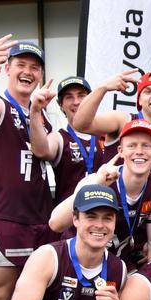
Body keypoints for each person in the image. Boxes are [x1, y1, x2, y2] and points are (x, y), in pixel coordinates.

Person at [0, 37, 56, 300]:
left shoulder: (42, 110)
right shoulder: (0, 105)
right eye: (21, 64)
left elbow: (43, 151)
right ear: (6, 67)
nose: (28, 71)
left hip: (41, 219)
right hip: (7, 216)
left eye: (35, 66)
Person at [50, 119, 151, 271]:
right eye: (132, 145)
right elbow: (55, 224)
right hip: (78, 262)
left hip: (117, 264)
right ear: (121, 151)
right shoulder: (101, 178)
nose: (139, 151)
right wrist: (98, 183)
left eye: (146, 145)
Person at [72, 70, 151, 174]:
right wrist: (103, 88)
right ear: (139, 100)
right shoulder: (122, 121)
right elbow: (80, 124)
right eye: (147, 91)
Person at [30, 76, 105, 205]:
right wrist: (36, 111)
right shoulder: (59, 138)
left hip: (102, 216)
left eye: (81, 95)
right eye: (69, 97)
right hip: (69, 220)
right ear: (61, 105)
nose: (76, 102)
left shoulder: (106, 135)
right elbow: (42, 151)